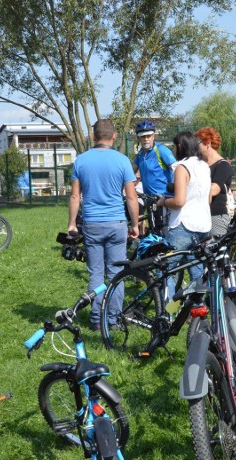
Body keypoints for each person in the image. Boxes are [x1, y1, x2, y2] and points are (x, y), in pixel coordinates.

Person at [68, 119, 139, 330]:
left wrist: (72, 224)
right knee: (117, 273)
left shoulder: (81, 160)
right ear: (114, 136)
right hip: (117, 223)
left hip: (91, 223)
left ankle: (96, 320)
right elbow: (132, 198)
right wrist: (134, 225)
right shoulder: (122, 160)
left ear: (93, 136)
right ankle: (113, 320)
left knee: (96, 274)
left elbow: (74, 196)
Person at [158, 131, 211, 297]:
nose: (173, 150)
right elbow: (208, 198)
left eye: (174, 146)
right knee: (197, 272)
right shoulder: (205, 166)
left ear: (180, 146)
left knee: (166, 270)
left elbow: (179, 201)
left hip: (183, 224)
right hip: (203, 225)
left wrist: (163, 202)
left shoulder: (182, 167)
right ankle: (197, 314)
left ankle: (168, 314)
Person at [133, 120, 176, 231]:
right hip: (149, 199)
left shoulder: (161, 150)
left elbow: (177, 169)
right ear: (138, 138)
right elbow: (131, 172)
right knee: (154, 228)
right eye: (143, 137)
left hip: (163, 197)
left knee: (164, 229)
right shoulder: (140, 154)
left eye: (149, 136)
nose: (146, 139)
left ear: (154, 136)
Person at [196, 127, 233, 238]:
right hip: (199, 215)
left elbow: (214, 189)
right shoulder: (199, 164)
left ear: (208, 143)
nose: (195, 146)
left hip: (216, 215)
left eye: (198, 143)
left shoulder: (222, 165)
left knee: (217, 251)